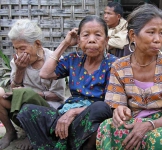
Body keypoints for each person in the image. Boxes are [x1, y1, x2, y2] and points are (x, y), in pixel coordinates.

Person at [96, 3, 162, 150]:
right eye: (151, 32)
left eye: (161, 33)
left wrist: (150, 125)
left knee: (159, 138)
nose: (158, 39)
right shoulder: (119, 67)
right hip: (134, 122)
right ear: (132, 35)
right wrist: (120, 111)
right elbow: (118, 105)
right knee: (107, 128)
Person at [16, 15, 117, 150]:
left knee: (100, 108)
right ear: (79, 40)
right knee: (27, 110)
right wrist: (65, 43)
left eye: (98, 35)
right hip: (63, 114)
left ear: (106, 41)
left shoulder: (114, 64)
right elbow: (44, 74)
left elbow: (109, 105)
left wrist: (74, 112)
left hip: (89, 118)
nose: (92, 40)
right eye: (85, 35)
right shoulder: (73, 59)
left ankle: (63, 144)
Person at [0, 19, 66, 150]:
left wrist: (33, 94)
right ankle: (10, 131)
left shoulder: (54, 60)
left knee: (26, 96)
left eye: (22, 48)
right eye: (16, 49)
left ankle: (33, 135)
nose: (19, 53)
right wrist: (20, 70)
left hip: (48, 109)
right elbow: (15, 90)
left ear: (37, 44)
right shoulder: (17, 61)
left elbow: (58, 96)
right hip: (22, 105)